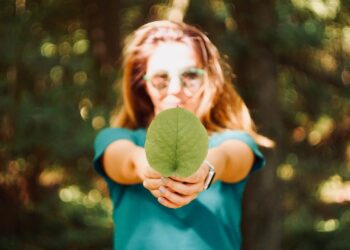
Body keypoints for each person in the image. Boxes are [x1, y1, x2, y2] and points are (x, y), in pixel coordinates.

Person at [93, 20, 273, 250]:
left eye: (190, 75)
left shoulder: (234, 141)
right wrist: (148, 166)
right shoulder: (115, 139)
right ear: (143, 85)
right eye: (161, 78)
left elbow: (228, 159)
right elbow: (126, 161)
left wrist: (204, 169)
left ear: (208, 79)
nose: (175, 88)